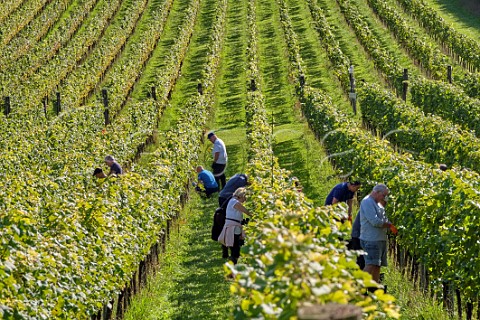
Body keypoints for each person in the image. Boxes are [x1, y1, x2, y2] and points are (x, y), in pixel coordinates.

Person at [359, 184, 397, 283]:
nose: (384, 198)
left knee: (376, 265)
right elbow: (375, 221)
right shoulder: (367, 202)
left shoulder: (377, 204)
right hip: (371, 239)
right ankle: (357, 288)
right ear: (376, 192)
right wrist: (389, 225)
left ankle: (374, 290)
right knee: (371, 264)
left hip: (378, 239)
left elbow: (383, 218)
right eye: (384, 195)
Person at [218, 188, 252, 264]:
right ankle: (233, 262)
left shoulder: (233, 201)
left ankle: (233, 261)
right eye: (245, 197)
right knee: (235, 245)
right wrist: (253, 215)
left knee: (235, 244)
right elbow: (246, 211)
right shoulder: (235, 202)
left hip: (234, 225)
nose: (245, 200)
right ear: (241, 196)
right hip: (233, 226)